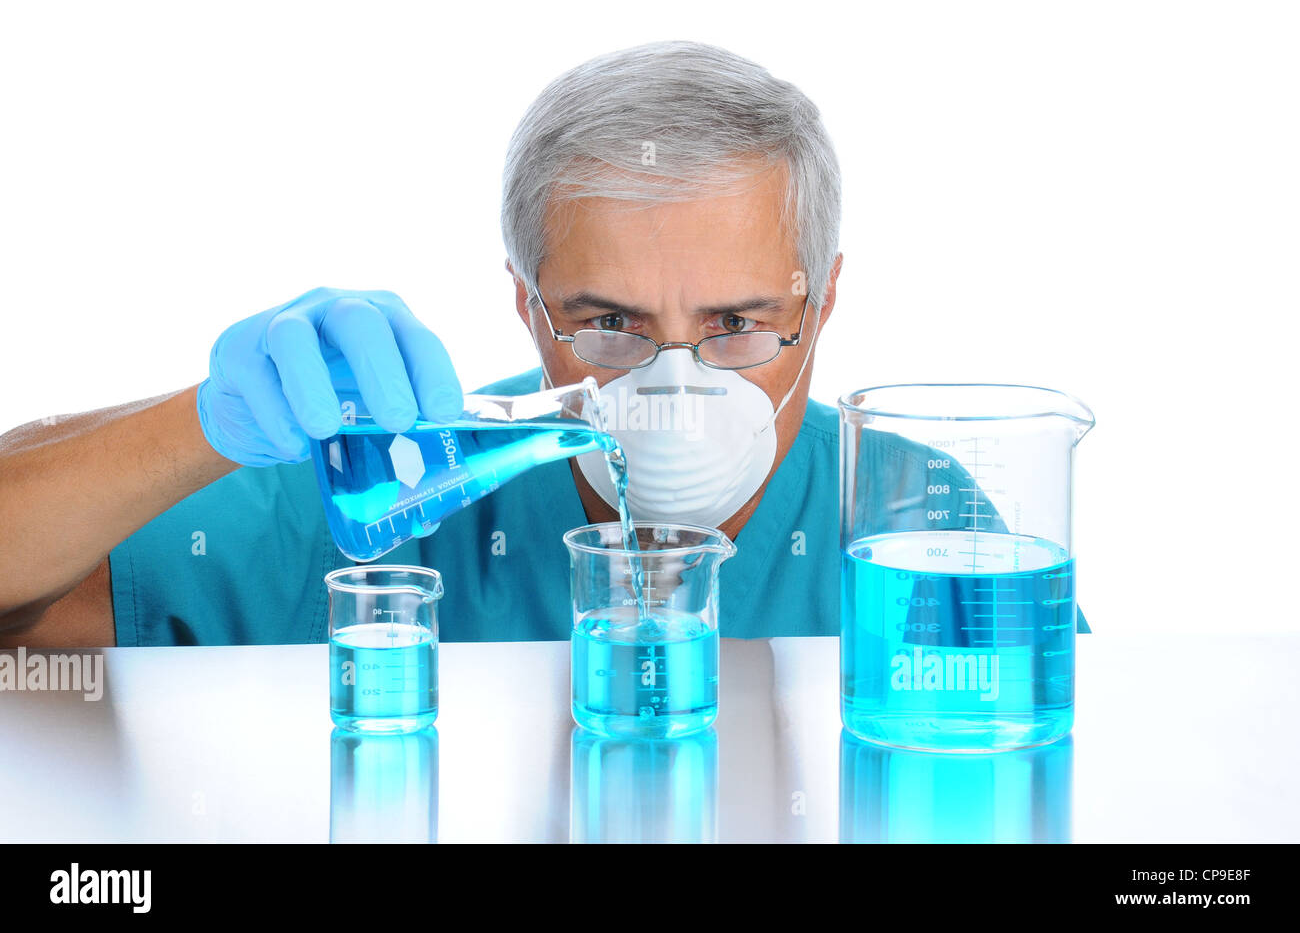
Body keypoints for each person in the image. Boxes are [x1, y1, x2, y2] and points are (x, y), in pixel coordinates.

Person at [0, 41, 1087, 646]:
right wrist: (206, 423)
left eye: (737, 324)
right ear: (528, 309)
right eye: (611, 322)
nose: (674, 381)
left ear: (825, 302)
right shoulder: (414, 484)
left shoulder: (906, 523)